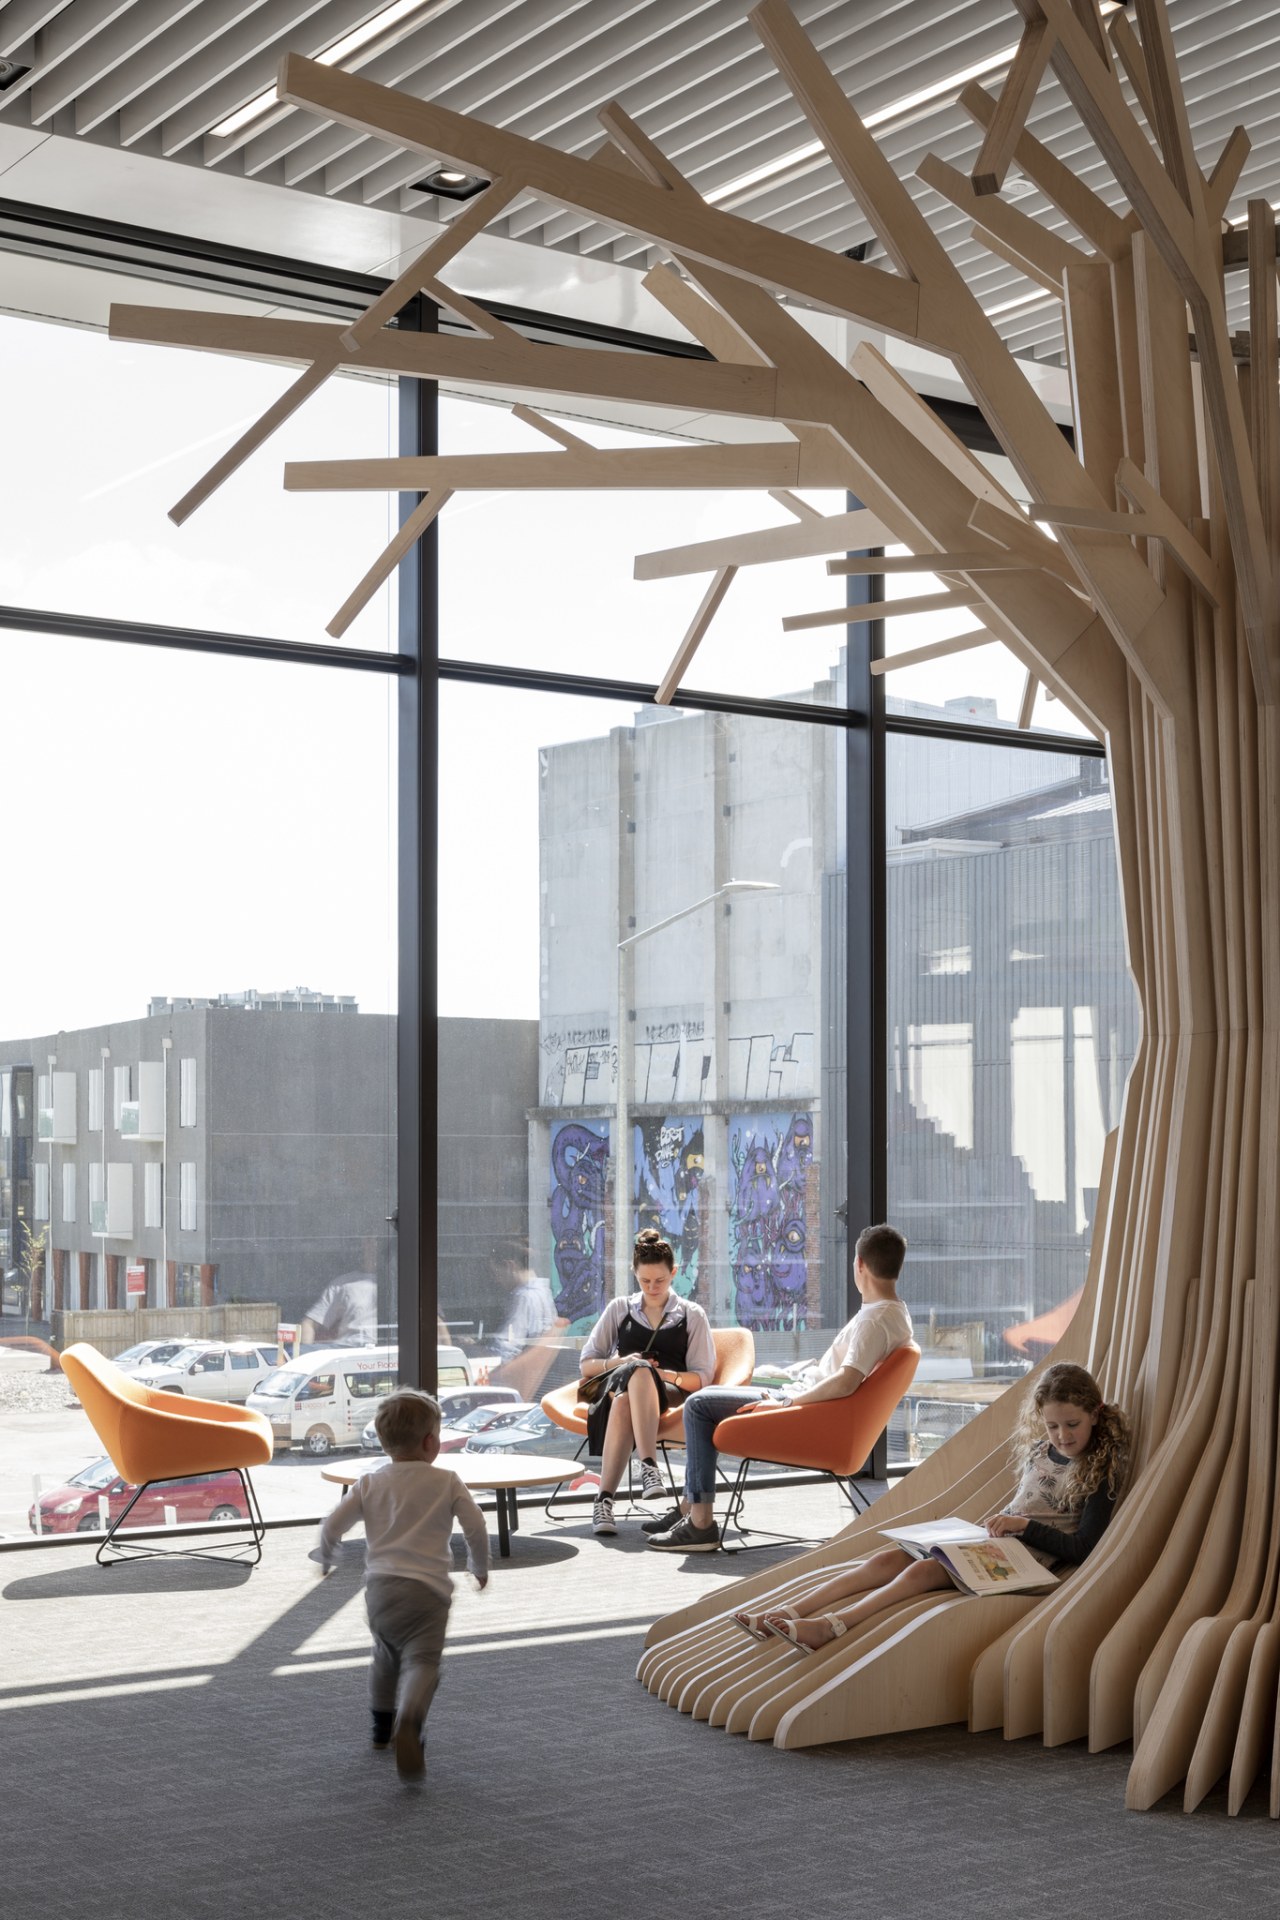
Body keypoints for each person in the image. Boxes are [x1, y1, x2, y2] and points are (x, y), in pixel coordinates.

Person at [746, 1360, 1131, 1649]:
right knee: (886, 1559)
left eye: (1072, 1425)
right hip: (1002, 1544)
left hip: (1030, 1564)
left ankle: (834, 1626)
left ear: (1095, 1414)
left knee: (923, 1571)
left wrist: (1021, 1528)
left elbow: (1084, 1548)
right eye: (1052, 1426)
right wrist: (1002, 1524)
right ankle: (789, 1612)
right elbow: (1028, 1505)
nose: (1062, 1436)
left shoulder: (1100, 1468)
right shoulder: (1041, 1450)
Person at [648, 1222, 912, 1553]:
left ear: (859, 1264)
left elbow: (846, 1382)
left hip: (805, 1409)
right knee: (743, 1380)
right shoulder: (894, 1313)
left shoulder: (875, 1320)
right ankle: (689, 1508)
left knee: (700, 1405)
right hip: (807, 1398)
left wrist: (788, 1402)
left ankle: (699, 1522)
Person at [311, 1388, 490, 1780]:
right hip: (427, 1593)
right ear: (431, 1442)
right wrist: (479, 1565)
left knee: (385, 1656)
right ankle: (409, 1717)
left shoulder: (370, 1483)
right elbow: (475, 1525)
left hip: (380, 1590)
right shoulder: (446, 1481)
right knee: (422, 1661)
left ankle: (380, 1729)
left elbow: (332, 1525)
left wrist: (326, 1556)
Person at [578, 1226, 716, 1536]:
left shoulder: (691, 1315)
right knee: (631, 1383)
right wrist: (621, 1362)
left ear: (674, 1272)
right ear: (634, 1274)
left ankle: (604, 1500)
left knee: (639, 1377)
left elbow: (702, 1379)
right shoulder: (619, 1309)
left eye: (660, 1281)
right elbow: (586, 1364)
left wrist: (663, 1374)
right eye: (644, 1281)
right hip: (619, 1388)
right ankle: (649, 1467)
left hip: (669, 1392)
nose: (652, 1288)